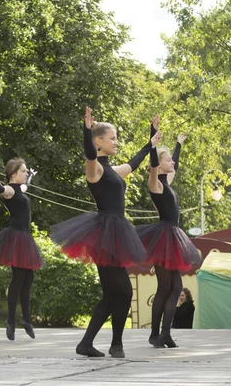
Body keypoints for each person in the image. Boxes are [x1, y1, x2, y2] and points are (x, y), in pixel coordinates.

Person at [50, 107, 155, 359]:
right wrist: (86, 131)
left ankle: (94, 344)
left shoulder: (111, 170)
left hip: (115, 234)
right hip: (104, 235)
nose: (116, 141)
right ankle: (113, 344)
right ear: (99, 141)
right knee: (124, 292)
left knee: (112, 295)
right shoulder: (95, 169)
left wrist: (150, 140)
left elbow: (133, 164)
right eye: (113, 138)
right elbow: (88, 154)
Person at [136, 118, 202, 348]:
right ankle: (156, 334)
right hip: (164, 237)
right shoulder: (156, 184)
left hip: (172, 237)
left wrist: (178, 145)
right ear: (158, 163)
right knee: (165, 287)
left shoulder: (168, 182)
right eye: (167, 159)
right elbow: (154, 165)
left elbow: (175, 165)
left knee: (175, 287)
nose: (171, 161)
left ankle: (165, 333)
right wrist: (153, 138)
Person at [0, 159, 43, 341]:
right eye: (23, 171)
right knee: (18, 278)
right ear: (13, 173)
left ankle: (26, 319)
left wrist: (31, 176)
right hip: (17, 237)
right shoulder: (10, 190)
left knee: (28, 278)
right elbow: (1, 190)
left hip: (24, 237)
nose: (25, 173)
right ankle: (11, 320)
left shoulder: (21, 189)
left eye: (26, 171)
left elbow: (26, 186)